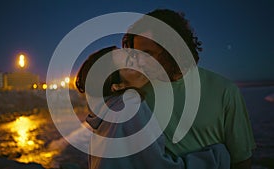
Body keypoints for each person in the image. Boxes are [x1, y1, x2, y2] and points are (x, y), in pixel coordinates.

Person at [122, 9, 256, 169]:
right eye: (137, 54)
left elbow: (241, 160)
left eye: (148, 53)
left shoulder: (225, 90)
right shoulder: (140, 94)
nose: (141, 62)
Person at [75, 46, 230, 169]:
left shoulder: (105, 116)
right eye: (131, 64)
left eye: (133, 55)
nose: (140, 63)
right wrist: (217, 156)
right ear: (118, 86)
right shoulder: (129, 105)